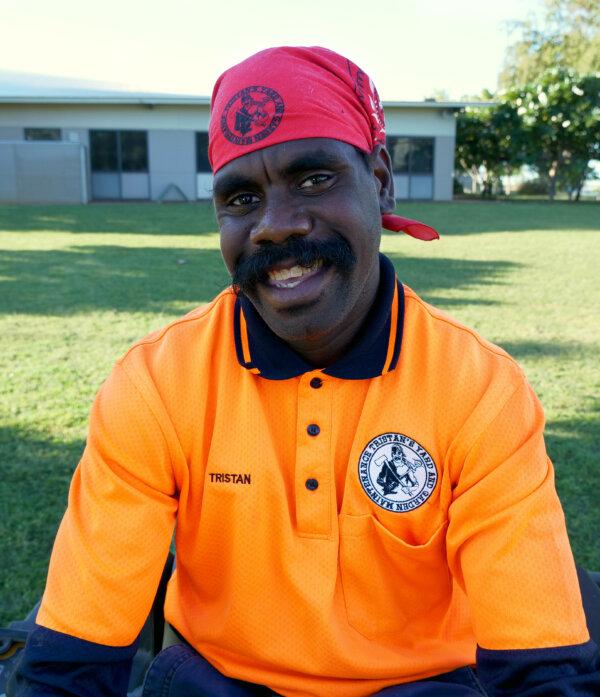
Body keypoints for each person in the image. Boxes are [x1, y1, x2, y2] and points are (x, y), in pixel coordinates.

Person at [9, 46, 600, 697]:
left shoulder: (481, 390)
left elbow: (543, 669)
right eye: (241, 197)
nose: (274, 225)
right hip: (220, 683)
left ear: (379, 180)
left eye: (314, 178)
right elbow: (73, 656)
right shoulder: (155, 384)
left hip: (420, 686)